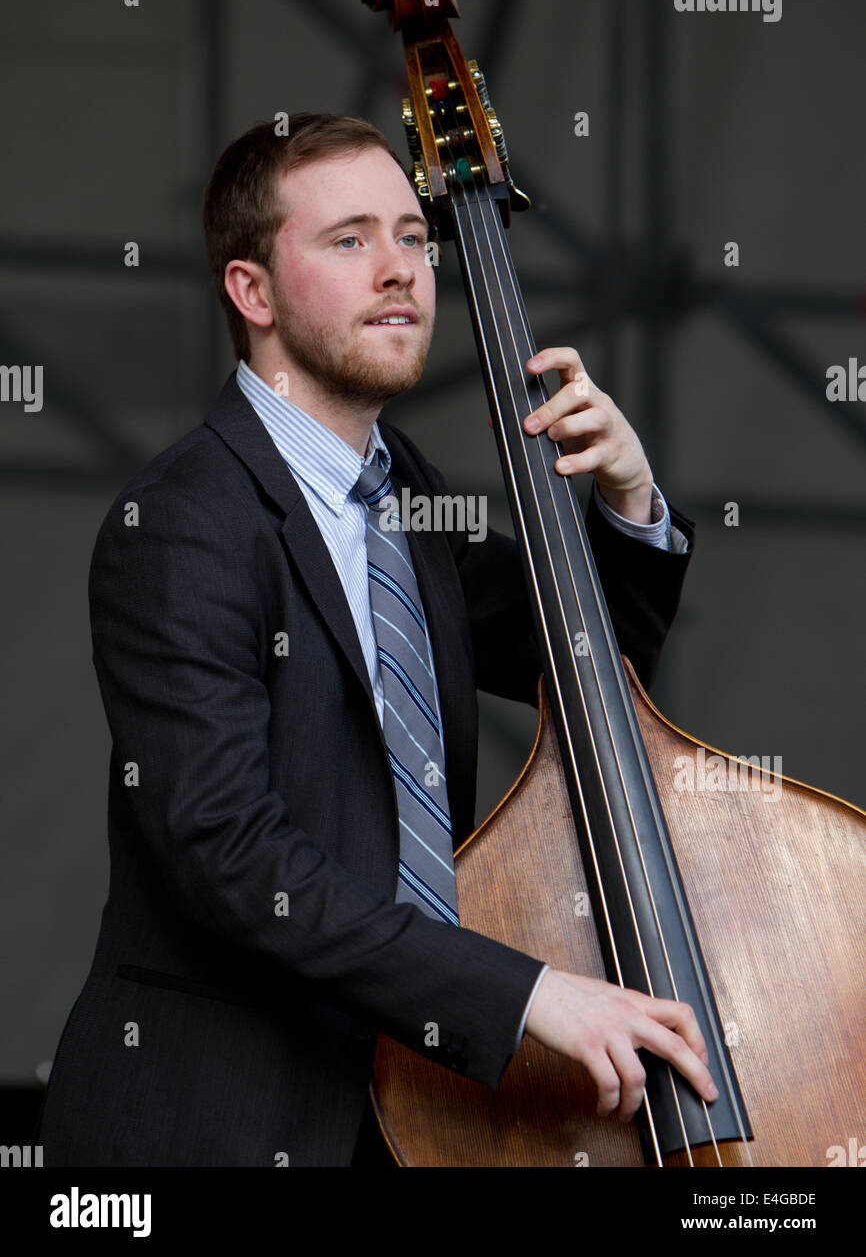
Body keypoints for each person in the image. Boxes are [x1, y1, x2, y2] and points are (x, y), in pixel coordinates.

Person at [36, 113, 716, 1168]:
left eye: (412, 234)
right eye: (348, 240)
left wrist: (628, 497)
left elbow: (588, 672)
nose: (399, 269)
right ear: (251, 292)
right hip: (216, 1122)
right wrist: (527, 990)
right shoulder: (181, 521)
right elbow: (227, 852)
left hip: (408, 1110)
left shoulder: (404, 498)